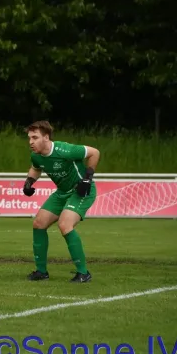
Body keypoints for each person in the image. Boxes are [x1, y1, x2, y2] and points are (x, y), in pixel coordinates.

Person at [22, 121, 101, 283]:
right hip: (62, 192)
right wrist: (29, 182)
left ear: (46, 137)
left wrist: (87, 178)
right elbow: (36, 168)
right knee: (38, 223)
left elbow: (95, 153)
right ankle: (41, 272)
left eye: (35, 137)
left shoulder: (66, 150)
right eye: (29, 138)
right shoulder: (36, 155)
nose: (31, 142)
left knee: (65, 224)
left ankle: (83, 273)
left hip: (81, 191)